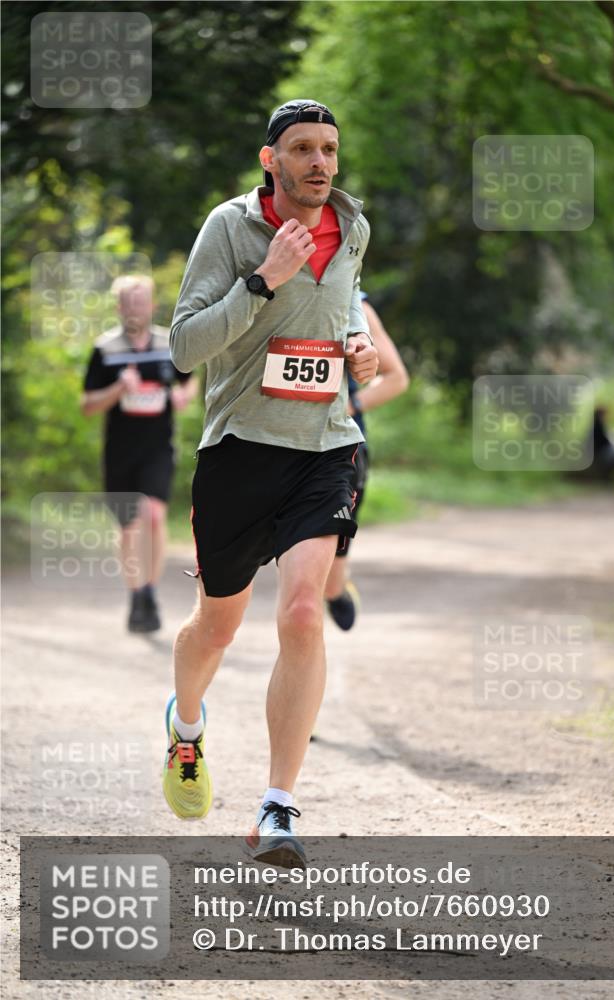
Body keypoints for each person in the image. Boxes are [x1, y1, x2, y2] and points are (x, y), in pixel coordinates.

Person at [163, 99, 378, 866]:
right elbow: (184, 346)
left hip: (325, 446)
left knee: (302, 613)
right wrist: (262, 280)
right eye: (302, 148)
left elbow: (339, 315)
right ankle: (186, 729)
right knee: (216, 628)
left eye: (329, 149)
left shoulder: (352, 226)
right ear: (270, 159)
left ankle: (277, 805)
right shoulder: (229, 227)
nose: (319, 162)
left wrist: (357, 348)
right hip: (240, 450)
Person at [81, 275, 199, 632]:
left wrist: (183, 396)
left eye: (142, 301)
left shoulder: (168, 343)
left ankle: (149, 591)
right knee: (130, 527)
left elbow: (190, 380)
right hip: (120, 452)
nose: (136, 308)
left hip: (158, 448)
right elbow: (87, 405)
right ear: (119, 307)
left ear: (152, 305)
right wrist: (119, 389)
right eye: (129, 303)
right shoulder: (106, 349)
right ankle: (136, 594)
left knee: (154, 516)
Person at [324, 293, 410, 630]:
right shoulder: (267, 290)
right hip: (273, 445)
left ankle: (335, 590)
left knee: (326, 577)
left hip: (341, 451)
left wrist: (349, 406)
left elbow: (396, 378)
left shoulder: (356, 305)